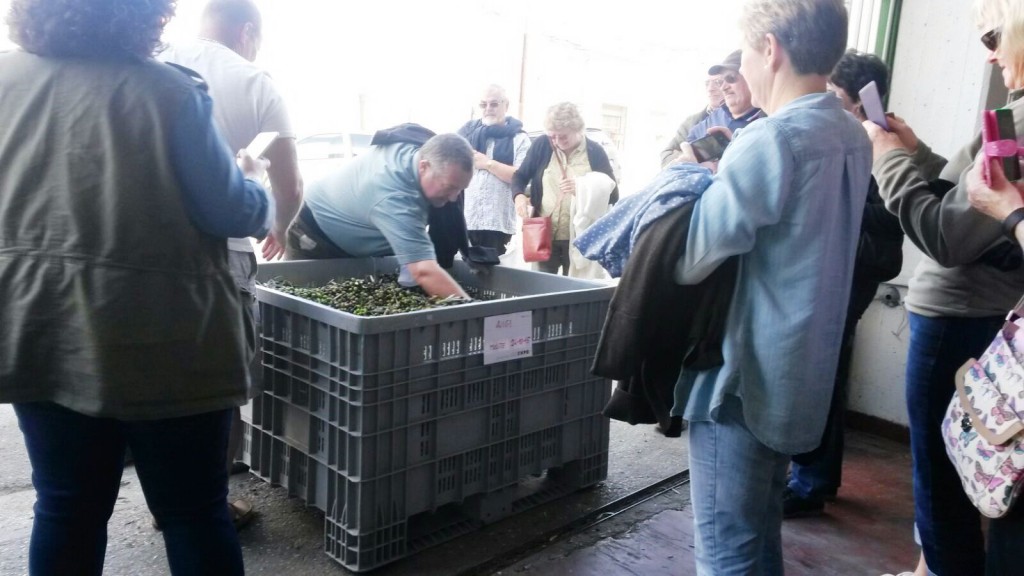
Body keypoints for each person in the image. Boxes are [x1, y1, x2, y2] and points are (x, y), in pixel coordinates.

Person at [0, 0, 274, 573]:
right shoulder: (169, 92)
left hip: (39, 329)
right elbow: (232, 213)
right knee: (193, 511)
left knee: (66, 506)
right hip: (165, 337)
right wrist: (256, 180)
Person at [671, 0, 869, 572]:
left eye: (743, 61)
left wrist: (690, 182)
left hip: (742, 379)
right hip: (800, 371)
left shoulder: (768, 140)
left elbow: (692, 259)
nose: (740, 75)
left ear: (771, 50)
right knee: (759, 534)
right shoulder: (849, 132)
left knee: (726, 550)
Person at [865, 1, 1024, 573]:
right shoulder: (1014, 113)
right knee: (966, 470)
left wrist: (887, 161)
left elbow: (946, 235)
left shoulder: (1022, 119)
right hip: (980, 309)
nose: (990, 52)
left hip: (959, 314)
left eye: (994, 34)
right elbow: (968, 201)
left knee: (943, 474)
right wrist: (916, 154)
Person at [159, 0, 303, 528]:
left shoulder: (149, 57)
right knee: (220, 382)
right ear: (247, 33)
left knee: (156, 376)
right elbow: (286, 186)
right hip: (222, 256)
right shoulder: (252, 79)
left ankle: (163, 497)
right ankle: (205, 499)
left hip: (136, 254)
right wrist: (279, 226)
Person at [783, 49, 905, 518]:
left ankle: (810, 484)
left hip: (850, 277)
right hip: (836, 274)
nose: (826, 102)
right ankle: (812, 479)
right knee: (823, 379)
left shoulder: (879, 142)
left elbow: (889, 224)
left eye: (834, 94)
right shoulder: (853, 136)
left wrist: (837, 207)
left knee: (824, 381)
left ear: (860, 101)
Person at [289, 133, 473, 298]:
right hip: (314, 239)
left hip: (358, 246)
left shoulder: (415, 151)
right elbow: (423, 271)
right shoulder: (396, 197)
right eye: (449, 187)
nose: (453, 198)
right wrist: (475, 318)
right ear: (424, 167)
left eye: (460, 190)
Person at [512, 102, 619, 277]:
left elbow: (613, 194)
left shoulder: (595, 151)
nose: (557, 142)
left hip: (579, 237)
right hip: (545, 233)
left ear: (579, 130)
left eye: (563, 137)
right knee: (541, 289)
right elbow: (520, 176)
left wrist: (582, 188)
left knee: (573, 291)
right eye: (552, 136)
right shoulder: (542, 145)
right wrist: (519, 197)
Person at [457, 84, 531, 256]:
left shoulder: (519, 138)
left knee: (493, 278)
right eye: (484, 105)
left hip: (497, 223)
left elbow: (521, 177)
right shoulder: (465, 135)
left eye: (494, 104)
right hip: (465, 219)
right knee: (464, 276)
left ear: (506, 105)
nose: (488, 109)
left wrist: (488, 163)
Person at [660, 72, 726, 168]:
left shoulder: (744, 119)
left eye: (717, 82)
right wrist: (691, 160)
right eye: (707, 83)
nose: (710, 89)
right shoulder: (691, 122)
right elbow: (666, 156)